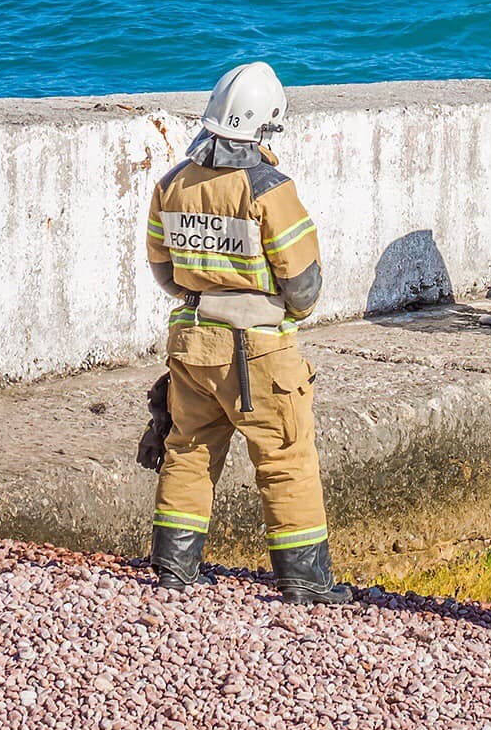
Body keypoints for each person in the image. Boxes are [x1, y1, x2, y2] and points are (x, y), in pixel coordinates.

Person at [145, 61, 353, 605]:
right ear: (266, 126)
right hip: (259, 346)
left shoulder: (171, 184)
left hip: (191, 340)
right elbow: (303, 285)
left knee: (188, 449)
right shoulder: (270, 189)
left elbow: (165, 273)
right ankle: (305, 582)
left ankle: (174, 570)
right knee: (285, 457)